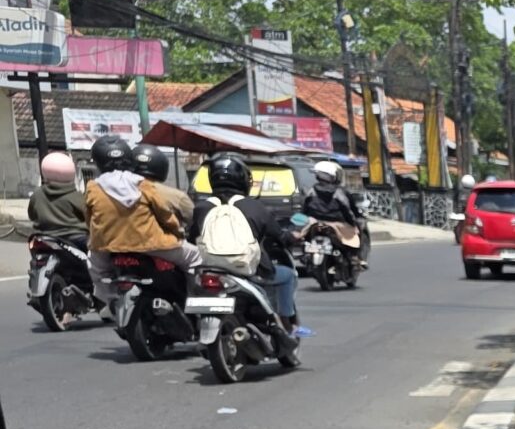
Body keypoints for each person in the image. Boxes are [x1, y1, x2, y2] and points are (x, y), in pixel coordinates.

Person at [191, 151, 309, 339]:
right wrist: (292, 237)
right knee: (287, 276)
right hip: (248, 269)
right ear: (243, 180)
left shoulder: (202, 208)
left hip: (210, 269)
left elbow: (192, 238)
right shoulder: (254, 207)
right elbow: (279, 236)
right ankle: (287, 323)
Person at [83, 133, 197, 288]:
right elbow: (164, 214)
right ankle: (193, 298)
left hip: (107, 247)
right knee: (195, 257)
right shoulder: (141, 184)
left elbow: (89, 219)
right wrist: (177, 232)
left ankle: (106, 301)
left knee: (96, 270)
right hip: (151, 244)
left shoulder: (93, 187)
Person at [304, 159, 370, 260]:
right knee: (356, 233)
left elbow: (305, 208)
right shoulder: (340, 192)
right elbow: (348, 210)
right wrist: (353, 222)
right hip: (338, 224)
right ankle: (354, 257)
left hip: (314, 222)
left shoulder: (311, 190)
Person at [26, 149, 85, 233]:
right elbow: (88, 216)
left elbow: (31, 215)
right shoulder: (76, 196)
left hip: (44, 235)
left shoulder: (37, 194)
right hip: (75, 236)